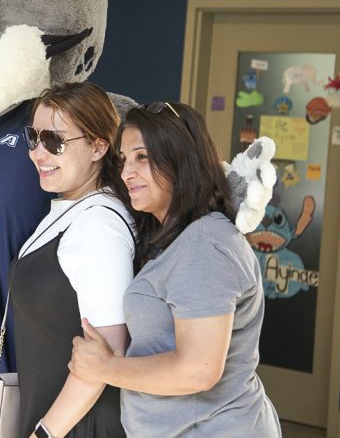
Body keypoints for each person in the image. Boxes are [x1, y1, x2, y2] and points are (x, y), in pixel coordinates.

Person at [69, 101, 281, 437]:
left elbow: (199, 370)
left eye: (142, 156)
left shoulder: (203, 245)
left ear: (181, 158)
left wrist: (105, 367)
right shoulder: (176, 237)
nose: (126, 173)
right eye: (124, 159)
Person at [12, 82, 135, 438]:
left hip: (79, 426)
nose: (39, 153)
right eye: (33, 138)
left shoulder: (99, 226)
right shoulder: (71, 208)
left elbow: (107, 356)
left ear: (99, 146)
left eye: (55, 141)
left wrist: (46, 433)